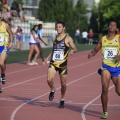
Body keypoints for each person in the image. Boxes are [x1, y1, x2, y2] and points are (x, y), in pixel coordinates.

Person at [88, 21, 120, 119]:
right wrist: (91, 54)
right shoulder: (103, 39)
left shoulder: (118, 38)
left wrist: (119, 57)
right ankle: (105, 112)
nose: (112, 26)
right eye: (111, 25)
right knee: (104, 88)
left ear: (116, 28)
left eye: (114, 25)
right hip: (105, 66)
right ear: (108, 27)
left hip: (116, 68)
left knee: (118, 91)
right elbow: (96, 49)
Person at [44, 21, 77, 108]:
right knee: (48, 80)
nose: (58, 28)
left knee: (63, 84)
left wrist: (72, 50)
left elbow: (75, 48)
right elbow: (53, 50)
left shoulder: (68, 38)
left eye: (59, 27)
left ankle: (62, 99)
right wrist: (47, 57)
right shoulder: (54, 39)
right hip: (53, 63)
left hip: (63, 65)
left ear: (63, 28)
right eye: (57, 27)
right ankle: (52, 89)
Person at [0, 9, 13, 87]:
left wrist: (11, 42)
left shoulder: (5, 25)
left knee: (1, 63)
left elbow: (11, 34)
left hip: (3, 46)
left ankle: (3, 74)